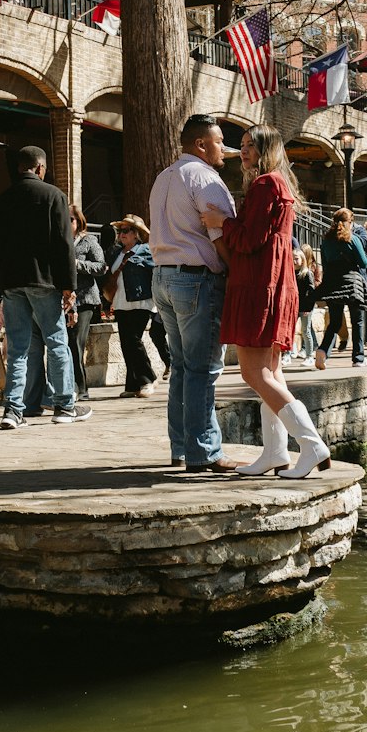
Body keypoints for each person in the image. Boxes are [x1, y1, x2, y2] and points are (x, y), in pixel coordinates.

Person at [201, 125, 329, 478]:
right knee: (271, 372)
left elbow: (249, 240)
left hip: (259, 284)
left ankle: (311, 443)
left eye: (249, 146)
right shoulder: (277, 183)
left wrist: (221, 222)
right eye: (240, 146)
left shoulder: (265, 184)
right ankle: (275, 452)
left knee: (253, 372)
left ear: (265, 149)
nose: (242, 151)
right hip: (274, 283)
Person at [149, 112, 237, 473]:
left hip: (163, 278)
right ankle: (205, 451)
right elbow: (222, 236)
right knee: (202, 369)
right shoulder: (204, 177)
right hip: (196, 279)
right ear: (200, 144)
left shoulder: (164, 177)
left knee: (184, 367)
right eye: (218, 142)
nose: (224, 150)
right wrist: (236, 271)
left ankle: (182, 448)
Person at [0, 145, 91, 428]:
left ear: (19, 167)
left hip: (13, 283)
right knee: (57, 342)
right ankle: (64, 406)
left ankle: (13, 410)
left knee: (18, 347)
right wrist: (68, 286)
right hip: (44, 281)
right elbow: (62, 243)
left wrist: (3, 282)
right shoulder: (53, 196)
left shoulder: (1, 201)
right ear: (41, 168)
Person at [107, 214, 159, 399]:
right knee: (126, 343)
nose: (122, 234)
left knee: (134, 340)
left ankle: (147, 379)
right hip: (121, 302)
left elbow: (156, 273)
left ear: (136, 234)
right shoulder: (116, 253)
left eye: (126, 230)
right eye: (120, 230)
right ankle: (132, 384)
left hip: (141, 301)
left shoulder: (145, 250)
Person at [314, 207, 367, 369]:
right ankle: (358, 358)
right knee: (358, 321)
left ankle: (323, 350)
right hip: (352, 284)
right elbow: (363, 263)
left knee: (335, 322)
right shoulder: (352, 239)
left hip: (333, 285)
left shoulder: (326, 241)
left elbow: (325, 264)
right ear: (349, 222)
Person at [70, 202, 106, 401]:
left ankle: (80, 388)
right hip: (64, 300)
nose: (67, 223)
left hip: (85, 299)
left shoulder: (89, 241)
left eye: (71, 219)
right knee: (65, 344)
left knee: (76, 342)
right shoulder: (59, 241)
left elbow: (101, 267)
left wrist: (77, 264)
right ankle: (69, 386)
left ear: (79, 220)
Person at [289, 247, 318, 366]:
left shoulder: (307, 274)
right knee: (290, 331)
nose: (294, 261)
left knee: (306, 331)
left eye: (296, 259)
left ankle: (309, 355)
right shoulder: (290, 274)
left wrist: (308, 307)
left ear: (302, 260)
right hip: (294, 307)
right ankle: (288, 353)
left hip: (305, 307)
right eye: (292, 259)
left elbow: (311, 292)